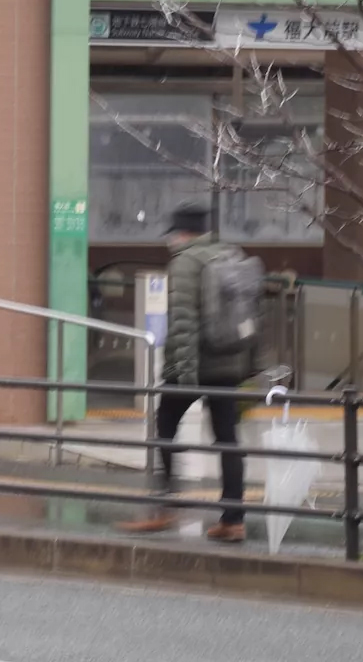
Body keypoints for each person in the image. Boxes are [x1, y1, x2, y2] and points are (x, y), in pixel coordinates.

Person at [123, 202, 253, 542]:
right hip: (229, 363)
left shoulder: (184, 262)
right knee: (228, 439)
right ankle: (233, 519)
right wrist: (249, 366)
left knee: (164, 424)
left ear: (180, 234)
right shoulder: (230, 254)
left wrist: (184, 374)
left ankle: (164, 508)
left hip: (194, 367)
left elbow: (182, 322)